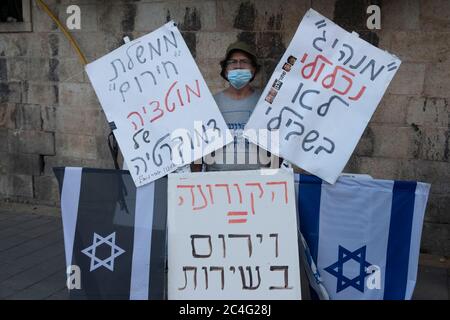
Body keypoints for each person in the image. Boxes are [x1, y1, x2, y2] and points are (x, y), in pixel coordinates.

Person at [191, 41, 275, 172]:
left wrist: (275, 179)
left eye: (244, 61)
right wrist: (194, 181)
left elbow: (276, 148)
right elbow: (197, 150)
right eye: (232, 62)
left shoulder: (265, 104)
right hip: (216, 182)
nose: (238, 66)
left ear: (253, 70)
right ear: (225, 70)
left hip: (258, 183)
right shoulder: (211, 103)